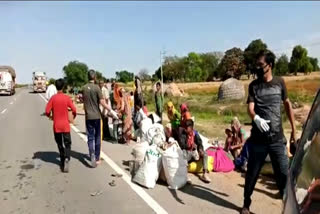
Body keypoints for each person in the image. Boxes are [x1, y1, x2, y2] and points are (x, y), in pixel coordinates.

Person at [241, 50, 296, 214]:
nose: (257, 68)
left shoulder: (280, 83)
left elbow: (287, 104)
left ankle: (288, 208)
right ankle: (246, 204)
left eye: (260, 64)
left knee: (284, 177)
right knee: (251, 175)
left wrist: (294, 130)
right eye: (256, 64)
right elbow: (250, 108)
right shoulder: (253, 86)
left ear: (269, 65)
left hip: (277, 141)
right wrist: (256, 118)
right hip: (258, 141)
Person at [82, 70, 118, 168]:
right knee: (98, 137)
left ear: (87, 77)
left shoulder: (84, 88)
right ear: (94, 77)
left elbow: (83, 101)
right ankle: (97, 158)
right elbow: (102, 102)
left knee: (90, 137)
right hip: (97, 116)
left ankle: (91, 154)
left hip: (88, 116)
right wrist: (111, 110)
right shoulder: (97, 88)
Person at [45, 79, 76, 173]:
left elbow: (46, 111)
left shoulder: (53, 98)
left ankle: (62, 160)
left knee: (59, 143)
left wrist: (50, 116)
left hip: (57, 126)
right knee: (68, 143)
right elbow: (74, 109)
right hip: (65, 125)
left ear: (56, 87)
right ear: (63, 87)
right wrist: (73, 117)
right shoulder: (67, 98)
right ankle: (67, 157)